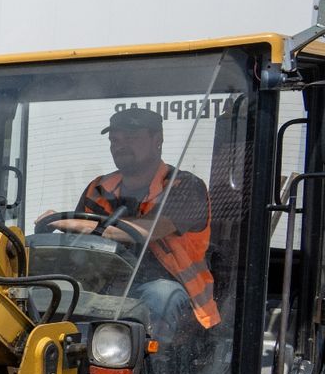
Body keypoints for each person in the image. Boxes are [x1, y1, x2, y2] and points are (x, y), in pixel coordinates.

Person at [56, 105, 219, 345]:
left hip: (181, 295)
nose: (120, 145)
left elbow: (146, 230)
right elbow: (80, 244)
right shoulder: (98, 189)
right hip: (110, 288)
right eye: (114, 140)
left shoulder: (185, 186)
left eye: (130, 138)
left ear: (158, 139)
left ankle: (147, 370)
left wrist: (72, 223)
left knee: (161, 294)